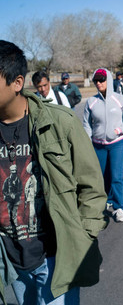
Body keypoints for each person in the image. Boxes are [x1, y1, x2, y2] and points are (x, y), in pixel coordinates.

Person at [0, 40, 107, 304]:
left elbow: (91, 186)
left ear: (16, 83)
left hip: (56, 257)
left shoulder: (61, 122)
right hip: (11, 260)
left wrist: (84, 234)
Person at [83, 68, 123, 222]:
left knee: (116, 176)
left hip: (117, 143)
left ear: (109, 81)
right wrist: (87, 140)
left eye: (102, 80)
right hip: (98, 145)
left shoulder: (120, 99)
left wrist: (119, 130)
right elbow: (87, 124)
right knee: (102, 177)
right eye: (96, 81)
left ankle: (119, 208)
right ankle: (106, 201)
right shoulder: (91, 102)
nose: (99, 83)